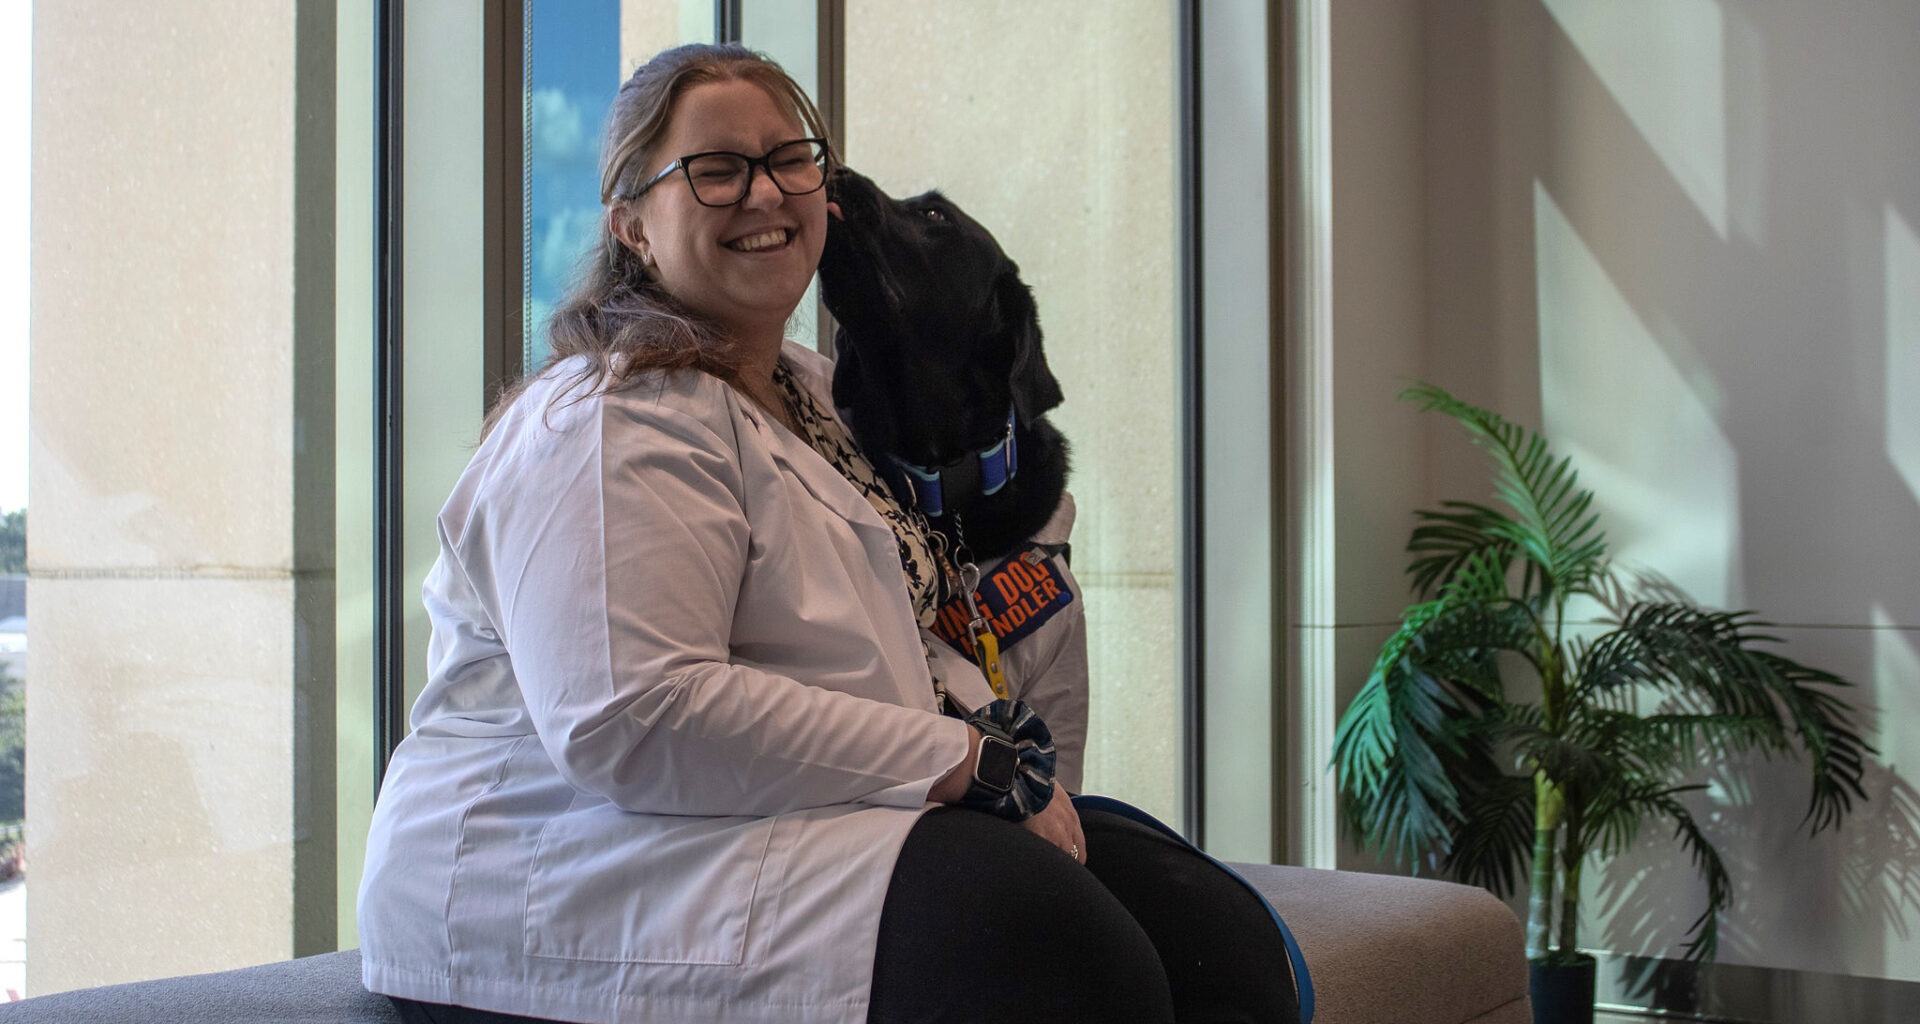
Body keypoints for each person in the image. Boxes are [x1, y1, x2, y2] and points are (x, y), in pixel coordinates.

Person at [357, 42, 1300, 1024]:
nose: (764, 194)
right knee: (1047, 946)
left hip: (775, 823)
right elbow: (632, 718)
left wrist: (1010, 767)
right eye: (716, 170)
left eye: (787, 158)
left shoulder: (810, 390)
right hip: (554, 873)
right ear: (631, 223)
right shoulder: (605, 420)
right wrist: (958, 764)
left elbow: (907, 623)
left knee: (1211, 939)